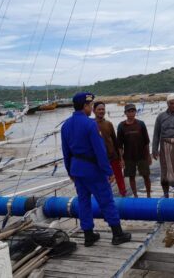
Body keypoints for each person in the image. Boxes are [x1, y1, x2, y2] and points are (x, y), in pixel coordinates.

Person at [61, 92, 131, 247]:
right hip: (93, 170)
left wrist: (69, 171)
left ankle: (88, 235)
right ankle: (117, 233)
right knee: (106, 200)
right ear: (85, 106)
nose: (91, 108)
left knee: (83, 202)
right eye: (91, 105)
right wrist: (109, 171)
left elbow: (66, 152)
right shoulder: (90, 124)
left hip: (77, 170)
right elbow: (99, 150)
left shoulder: (65, 125)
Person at [117, 103, 151, 198]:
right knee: (131, 177)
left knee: (146, 176)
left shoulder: (141, 124)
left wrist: (148, 156)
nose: (131, 113)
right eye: (129, 111)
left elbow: (147, 142)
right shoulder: (121, 126)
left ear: (135, 112)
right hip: (128, 157)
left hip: (142, 156)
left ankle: (148, 195)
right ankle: (135, 195)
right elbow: (119, 145)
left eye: (133, 111)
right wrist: (121, 159)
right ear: (125, 113)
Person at [93, 101, 127, 197]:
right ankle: (105, 198)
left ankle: (123, 195)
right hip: (99, 159)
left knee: (119, 177)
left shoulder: (109, 124)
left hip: (113, 156)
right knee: (103, 180)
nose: (101, 111)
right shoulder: (91, 124)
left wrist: (121, 158)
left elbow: (115, 141)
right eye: (99, 109)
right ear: (94, 111)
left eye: (103, 109)